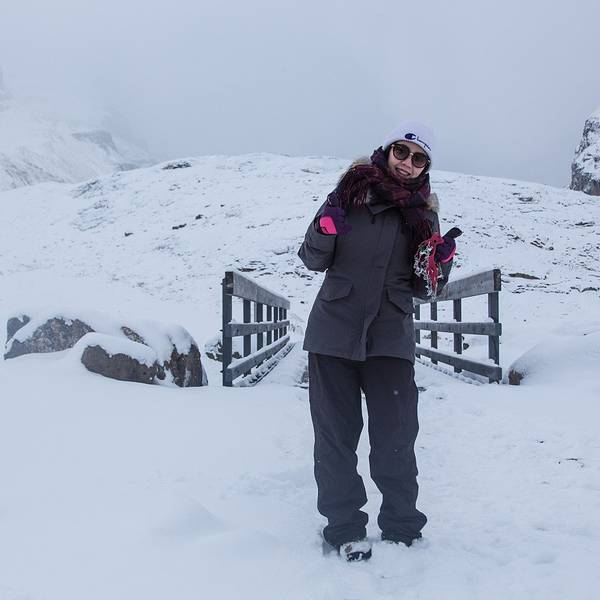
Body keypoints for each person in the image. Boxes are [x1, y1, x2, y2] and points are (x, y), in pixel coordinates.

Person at [297, 121, 456, 562]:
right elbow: (311, 259)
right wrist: (324, 230)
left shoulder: (424, 215)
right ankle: (345, 528)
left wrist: (440, 264)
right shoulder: (348, 194)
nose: (407, 163)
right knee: (335, 438)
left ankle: (402, 529)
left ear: (425, 167)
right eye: (401, 152)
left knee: (396, 437)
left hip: (390, 336)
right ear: (387, 150)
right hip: (334, 332)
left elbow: (426, 288)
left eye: (418, 158)